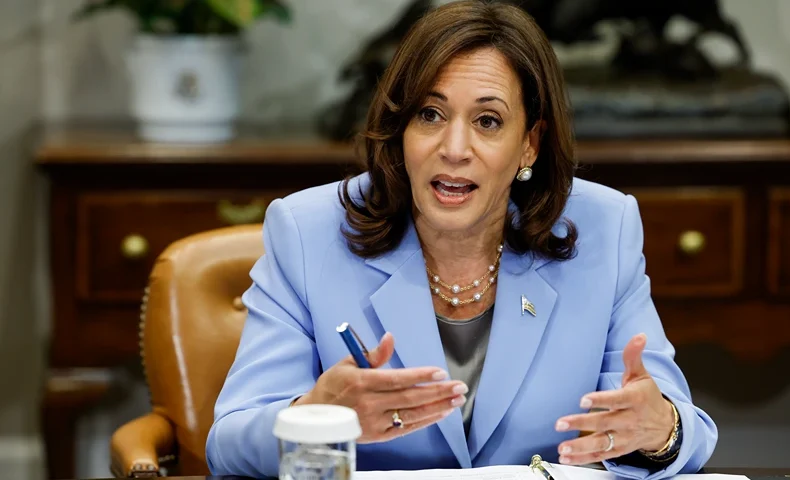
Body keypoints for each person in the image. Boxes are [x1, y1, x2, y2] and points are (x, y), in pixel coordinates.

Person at [206, 1, 717, 478]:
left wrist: (660, 431)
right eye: (430, 114)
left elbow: (681, 427)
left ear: (529, 144)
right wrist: (315, 416)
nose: (454, 148)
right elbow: (227, 440)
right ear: (400, 127)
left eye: (488, 121)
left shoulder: (604, 228)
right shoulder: (307, 232)